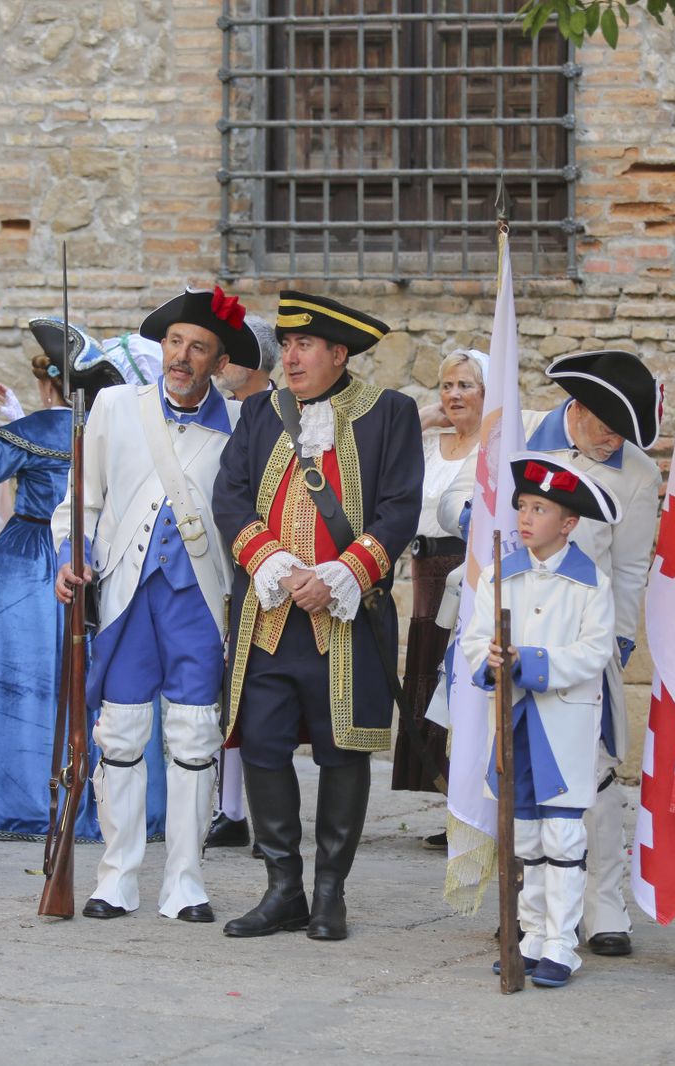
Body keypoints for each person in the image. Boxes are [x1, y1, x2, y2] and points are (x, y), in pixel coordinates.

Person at [437, 348, 662, 957]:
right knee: (517, 776)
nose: (615, 439)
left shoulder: (639, 475)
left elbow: (634, 565)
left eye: (626, 430)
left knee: (594, 776)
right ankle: (527, 913)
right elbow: (453, 500)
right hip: (503, 622)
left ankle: (602, 906)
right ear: (578, 407)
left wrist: (612, 647)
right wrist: (481, 520)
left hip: (582, 638)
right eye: (606, 423)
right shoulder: (518, 431)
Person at [213, 290, 421, 941]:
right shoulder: (259, 414)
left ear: (338, 353)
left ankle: (330, 892)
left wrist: (341, 575)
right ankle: (283, 889)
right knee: (263, 747)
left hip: (345, 619)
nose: (291, 356)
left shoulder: (391, 414)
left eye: (305, 346)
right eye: (288, 344)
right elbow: (230, 495)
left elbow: (400, 507)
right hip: (271, 616)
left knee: (343, 751)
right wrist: (272, 562)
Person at [54, 286, 260, 923]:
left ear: (219, 361)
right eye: (175, 342)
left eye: (199, 347)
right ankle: (116, 877)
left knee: (194, 735)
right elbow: (81, 500)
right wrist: (71, 552)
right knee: (121, 732)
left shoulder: (241, 426)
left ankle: (186, 881)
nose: (182, 355)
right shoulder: (116, 407)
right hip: (123, 595)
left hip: (199, 598)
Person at [0, 320, 126, 842]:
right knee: (73, 680)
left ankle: (11, 804)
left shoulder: (35, 430)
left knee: (15, 683)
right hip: (85, 558)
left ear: (48, 385)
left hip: (24, 561)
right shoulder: (103, 431)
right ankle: (87, 801)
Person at [461, 454, 619, 988]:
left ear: (569, 523)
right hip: (515, 722)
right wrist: (491, 659)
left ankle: (561, 941)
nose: (526, 518)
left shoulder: (589, 582)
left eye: (540, 509)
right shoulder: (504, 575)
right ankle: (530, 934)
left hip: (562, 724)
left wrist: (530, 661)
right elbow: (475, 640)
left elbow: (594, 652)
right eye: (523, 507)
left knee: (562, 833)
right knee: (524, 832)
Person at [393, 348, 487, 807]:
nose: (453, 394)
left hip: (462, 572)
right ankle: (443, 793)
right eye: (446, 385)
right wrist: (426, 419)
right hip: (423, 573)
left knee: (456, 682)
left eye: (465, 385)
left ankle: (468, 800)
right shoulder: (429, 443)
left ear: (488, 392)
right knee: (426, 677)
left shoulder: (492, 446)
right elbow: (380, 451)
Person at [206, 313, 281, 852]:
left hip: (264, 561)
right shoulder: (208, 412)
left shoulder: (283, 414)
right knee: (217, 688)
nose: (217, 364)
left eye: (227, 354)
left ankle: (258, 808)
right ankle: (225, 807)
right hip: (206, 557)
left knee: (254, 689)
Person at [215, 312, 278, 401]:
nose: (217, 362)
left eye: (227, 352)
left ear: (252, 360)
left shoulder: (293, 412)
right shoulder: (220, 411)